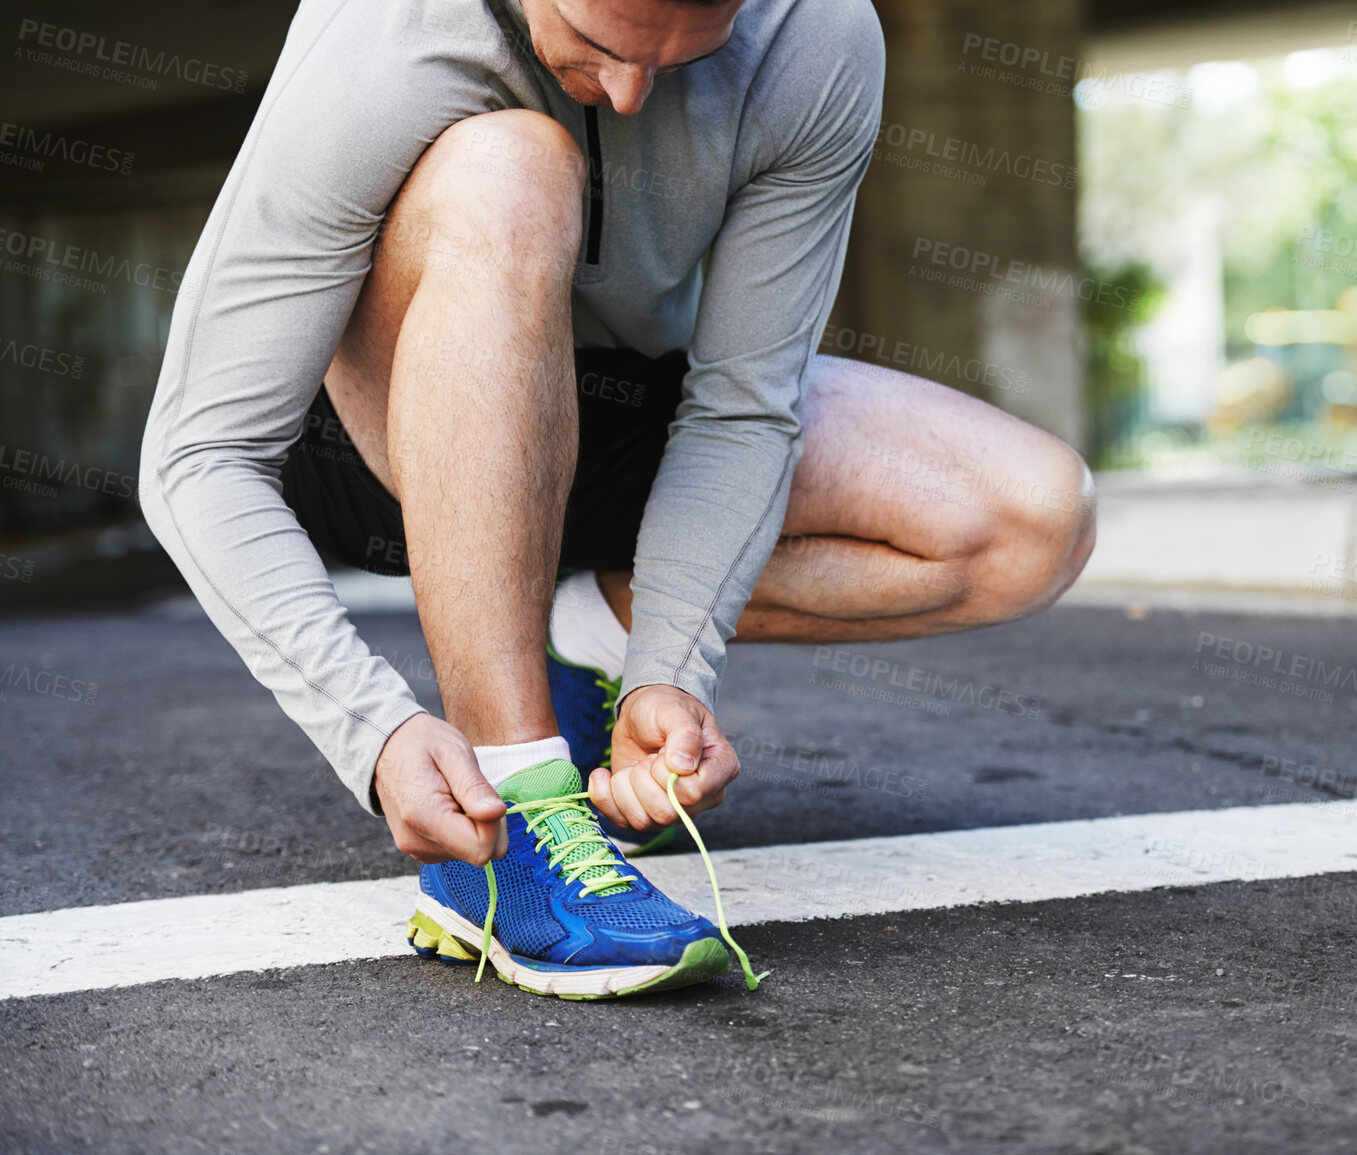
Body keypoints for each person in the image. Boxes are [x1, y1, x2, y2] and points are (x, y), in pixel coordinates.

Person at [140, 0, 1095, 1000]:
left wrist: (670, 666)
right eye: (599, 46)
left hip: (633, 411)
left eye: (691, 55)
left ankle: (584, 634)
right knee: (515, 165)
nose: (635, 92)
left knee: (1031, 518)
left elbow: (740, 410)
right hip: (377, 445)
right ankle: (512, 811)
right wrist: (371, 729)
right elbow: (198, 450)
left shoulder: (818, 32)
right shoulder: (388, 28)